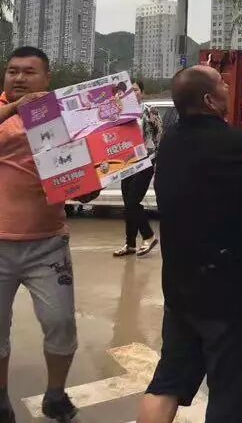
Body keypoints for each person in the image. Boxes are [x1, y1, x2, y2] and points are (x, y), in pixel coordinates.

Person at [137, 65, 242, 423]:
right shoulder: (240, 145)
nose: (229, 87)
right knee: (231, 391)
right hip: (227, 292)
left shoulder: (170, 143)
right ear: (210, 100)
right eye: (223, 84)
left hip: (179, 287)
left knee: (168, 381)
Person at [0, 46, 97, 423]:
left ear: (47, 78)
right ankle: (1, 399)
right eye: (13, 71)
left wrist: (90, 181)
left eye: (29, 72)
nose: (19, 78)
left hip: (48, 245)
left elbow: (83, 189)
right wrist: (15, 109)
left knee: (61, 323)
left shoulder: (62, 119)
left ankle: (56, 395)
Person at [114, 80, 162, 258]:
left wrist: (155, 158)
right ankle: (130, 244)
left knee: (133, 202)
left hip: (145, 162)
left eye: (135, 90)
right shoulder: (119, 114)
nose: (132, 94)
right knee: (128, 205)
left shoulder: (149, 110)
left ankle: (148, 236)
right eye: (128, 91)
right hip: (126, 163)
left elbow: (159, 134)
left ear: (142, 92)